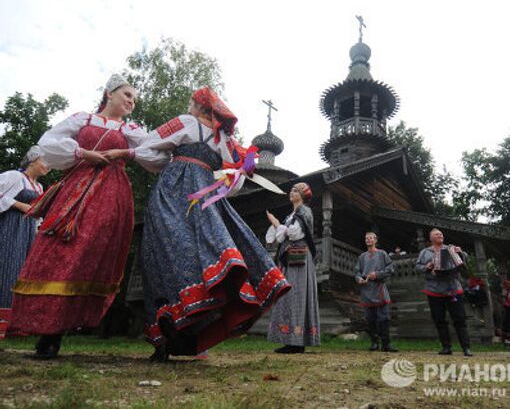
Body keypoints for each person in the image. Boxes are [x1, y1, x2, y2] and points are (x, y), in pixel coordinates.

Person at [8, 74, 165, 358]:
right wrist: (83, 152)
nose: (132, 101)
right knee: (59, 250)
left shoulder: (130, 129)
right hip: (75, 190)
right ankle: (48, 332)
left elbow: (154, 151)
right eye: (127, 95)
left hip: (111, 194)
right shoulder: (83, 119)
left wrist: (125, 152)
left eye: (135, 99)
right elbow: (49, 142)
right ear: (109, 93)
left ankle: (65, 326)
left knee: (88, 254)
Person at [140, 87, 290, 361]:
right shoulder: (226, 141)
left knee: (161, 255)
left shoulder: (186, 124)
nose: (188, 109)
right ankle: (194, 333)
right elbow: (235, 183)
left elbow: (146, 148)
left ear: (199, 106)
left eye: (190, 104)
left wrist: (170, 165)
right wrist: (208, 178)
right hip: (206, 197)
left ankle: (164, 337)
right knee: (204, 258)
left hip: (172, 192)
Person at [0, 146, 48, 338]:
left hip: (28, 230)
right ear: (33, 160)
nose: (48, 166)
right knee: (7, 267)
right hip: (9, 227)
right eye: (45, 161)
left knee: (23, 271)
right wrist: (22, 206)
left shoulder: (39, 187)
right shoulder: (14, 177)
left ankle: (16, 323)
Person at [266, 182, 320, 354]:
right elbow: (282, 237)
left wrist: (275, 223)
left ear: (303, 195)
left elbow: (294, 234)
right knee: (288, 296)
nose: (292, 192)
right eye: (291, 190)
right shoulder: (291, 215)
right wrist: (279, 227)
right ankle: (290, 340)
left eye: (296, 190)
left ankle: (297, 342)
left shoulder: (304, 211)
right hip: (291, 259)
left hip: (300, 260)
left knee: (297, 296)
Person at [415, 228, 473, 356]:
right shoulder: (425, 252)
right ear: (431, 238)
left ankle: (466, 348)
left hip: (452, 288)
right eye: (436, 234)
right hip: (434, 289)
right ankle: (446, 347)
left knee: (459, 318)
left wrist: (461, 252)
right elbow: (417, 267)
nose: (440, 235)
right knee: (439, 319)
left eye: (441, 234)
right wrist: (427, 267)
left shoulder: (451, 248)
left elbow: (464, 260)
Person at [355, 232, 397, 352]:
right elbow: (357, 272)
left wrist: (377, 274)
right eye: (366, 238)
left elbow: (390, 268)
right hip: (366, 290)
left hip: (379, 289)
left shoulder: (382, 253)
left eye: (370, 238)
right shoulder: (362, 257)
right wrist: (359, 279)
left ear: (375, 240)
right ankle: (374, 343)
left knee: (383, 318)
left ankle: (386, 344)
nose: (368, 239)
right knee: (370, 318)